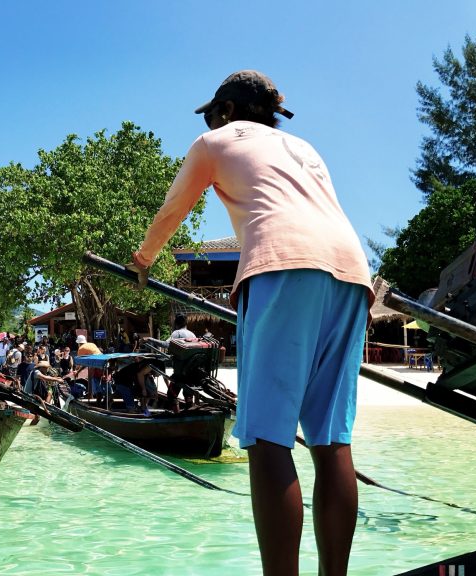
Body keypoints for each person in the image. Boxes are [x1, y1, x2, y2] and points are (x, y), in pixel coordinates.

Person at [127, 70, 373, 575]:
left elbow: (173, 210)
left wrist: (144, 259)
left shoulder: (213, 141)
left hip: (282, 264)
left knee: (267, 438)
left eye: (214, 111)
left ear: (230, 108)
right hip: (352, 274)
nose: (211, 120)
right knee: (331, 441)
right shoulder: (305, 148)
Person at [25, 360, 66, 425]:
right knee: (37, 417)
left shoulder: (38, 372)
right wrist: (57, 380)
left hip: (32, 395)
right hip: (30, 396)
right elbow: (44, 377)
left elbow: (46, 377)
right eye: (46, 368)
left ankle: (46, 406)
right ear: (42, 368)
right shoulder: (36, 372)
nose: (47, 370)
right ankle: (46, 407)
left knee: (37, 418)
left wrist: (56, 378)